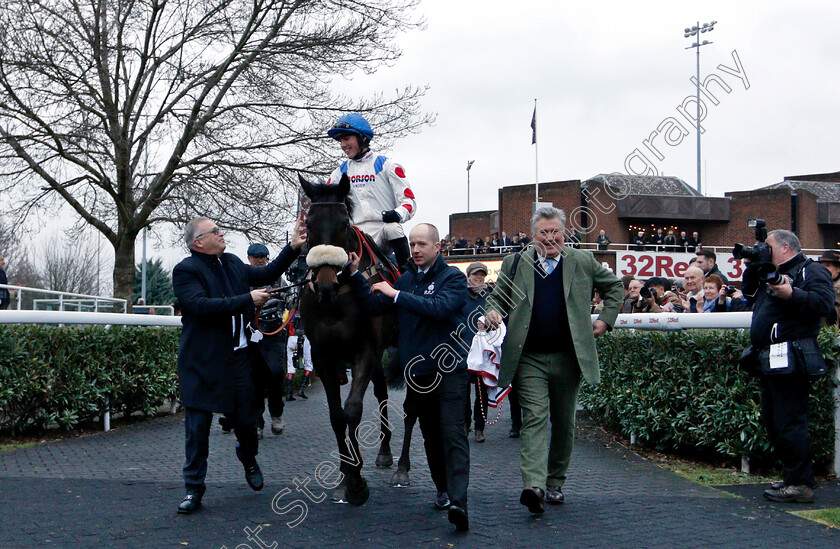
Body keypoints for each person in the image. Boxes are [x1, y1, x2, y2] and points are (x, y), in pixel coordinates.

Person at [485, 206, 623, 514]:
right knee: (533, 417)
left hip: (568, 357)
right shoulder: (516, 262)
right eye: (543, 233)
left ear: (565, 232)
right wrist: (492, 311)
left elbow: (614, 288)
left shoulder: (583, 261)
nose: (550, 238)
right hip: (528, 357)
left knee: (563, 422)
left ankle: (555, 482)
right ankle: (533, 485)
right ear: (533, 236)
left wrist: (607, 319)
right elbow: (497, 297)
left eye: (555, 231)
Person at [171, 217, 305, 514]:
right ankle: (193, 489)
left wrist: (293, 247)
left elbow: (267, 272)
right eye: (215, 231)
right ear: (198, 243)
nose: (221, 234)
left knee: (248, 422)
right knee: (197, 428)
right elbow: (200, 306)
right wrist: (247, 299)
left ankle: (248, 455)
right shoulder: (185, 271)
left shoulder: (231, 262)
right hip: (202, 363)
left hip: (240, 360)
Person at [348, 223, 471, 531]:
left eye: (421, 244)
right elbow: (374, 304)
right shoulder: (405, 279)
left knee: (453, 433)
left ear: (437, 247)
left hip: (450, 371)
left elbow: (440, 308)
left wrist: (397, 293)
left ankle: (459, 501)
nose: (415, 249)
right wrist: (354, 275)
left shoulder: (453, 278)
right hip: (418, 375)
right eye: (412, 244)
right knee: (430, 435)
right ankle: (442, 489)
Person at [741, 230, 833, 503]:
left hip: (792, 358)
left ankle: (801, 485)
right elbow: (748, 294)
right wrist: (754, 266)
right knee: (774, 421)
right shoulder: (768, 272)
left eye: (766, 246)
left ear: (784, 247)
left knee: (790, 423)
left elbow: (825, 304)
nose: (761, 250)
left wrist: (791, 293)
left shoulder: (810, 269)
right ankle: (794, 478)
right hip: (770, 358)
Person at [327, 113, 416, 268]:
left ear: (363, 138)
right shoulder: (337, 174)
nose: (342, 144)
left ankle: (408, 276)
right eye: (340, 140)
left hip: (382, 232)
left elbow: (409, 202)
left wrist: (396, 214)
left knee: (393, 228)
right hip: (353, 235)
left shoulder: (388, 166)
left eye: (346, 138)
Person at [246, 243, 287, 438]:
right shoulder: (243, 278)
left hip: (274, 332)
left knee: (277, 372)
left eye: (264, 256)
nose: (261, 259)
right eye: (256, 257)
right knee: (254, 379)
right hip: (252, 335)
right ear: (249, 258)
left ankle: (276, 412)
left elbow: (290, 300)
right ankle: (257, 421)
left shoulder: (278, 279)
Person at [463, 262, 490, 443]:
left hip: (483, 353)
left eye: (481, 275)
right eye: (475, 275)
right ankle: (465, 424)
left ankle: (479, 428)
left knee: (482, 393)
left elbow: (500, 320)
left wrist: (489, 324)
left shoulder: (490, 298)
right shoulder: (461, 296)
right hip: (463, 351)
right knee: (463, 391)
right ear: (469, 276)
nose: (478, 278)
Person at [817, 250, 840, 326]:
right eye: (822, 266)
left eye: (828, 265)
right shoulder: (816, 286)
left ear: (838, 269)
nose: (823, 269)